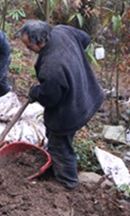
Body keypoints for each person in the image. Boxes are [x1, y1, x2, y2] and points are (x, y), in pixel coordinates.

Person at [16, 20, 103, 190]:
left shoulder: (51, 66)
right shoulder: (63, 31)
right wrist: (74, 61)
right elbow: (84, 39)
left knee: (60, 143)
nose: (27, 49)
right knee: (54, 138)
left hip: (73, 108)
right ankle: (53, 164)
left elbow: (50, 98)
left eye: (29, 46)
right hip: (87, 92)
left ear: (40, 42)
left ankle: (67, 182)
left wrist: (36, 92)